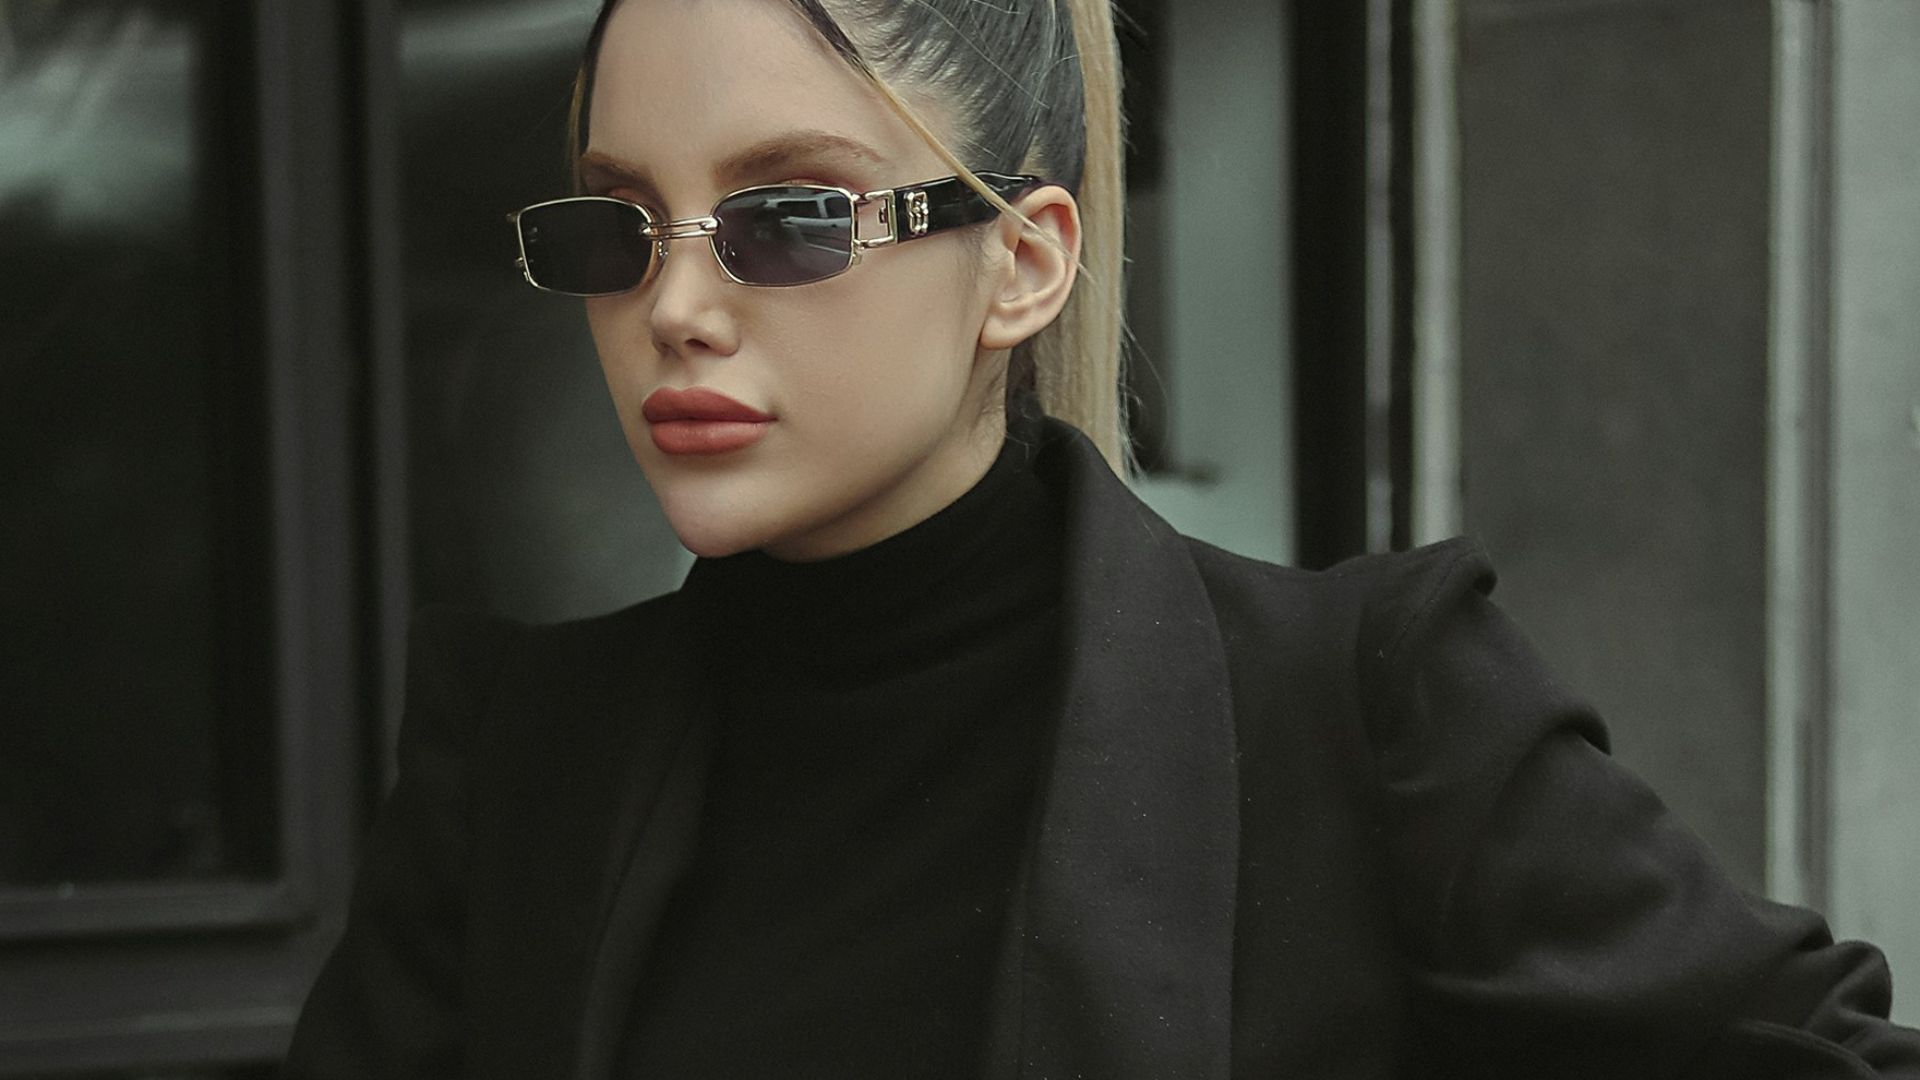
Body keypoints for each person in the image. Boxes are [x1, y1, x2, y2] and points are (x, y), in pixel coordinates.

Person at [284, 0, 1920, 1076]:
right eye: (616, 225)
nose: (677, 306)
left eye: (790, 217)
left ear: (1024, 261)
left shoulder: (1364, 709)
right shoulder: (518, 764)